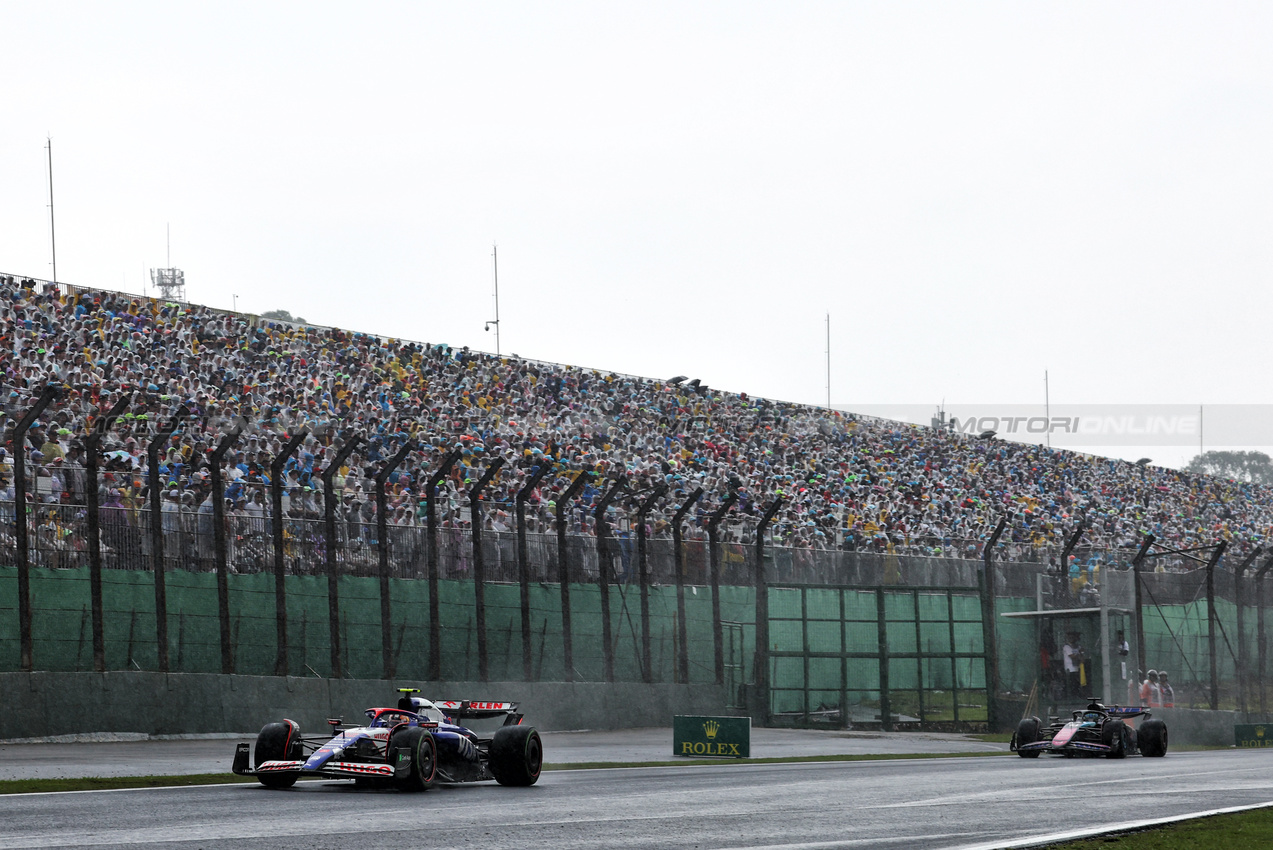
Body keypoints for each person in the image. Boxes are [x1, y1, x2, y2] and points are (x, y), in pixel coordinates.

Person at [1063, 632, 1083, 698]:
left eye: (1073, 637)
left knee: (1077, 682)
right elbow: (1072, 656)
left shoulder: (1077, 646)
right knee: (1072, 683)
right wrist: (1079, 656)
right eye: (1070, 638)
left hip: (1077, 667)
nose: (1072, 639)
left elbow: (1082, 651)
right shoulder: (1067, 646)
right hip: (1070, 668)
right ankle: (1072, 696)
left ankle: (1077, 694)